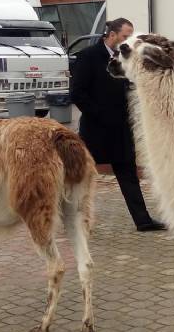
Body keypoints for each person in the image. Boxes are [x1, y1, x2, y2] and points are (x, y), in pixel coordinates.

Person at [70, 18, 166, 232]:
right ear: (111, 35)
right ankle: (72, 219)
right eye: (124, 37)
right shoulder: (88, 57)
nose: (127, 41)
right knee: (80, 177)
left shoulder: (127, 58)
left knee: (129, 175)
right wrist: (100, 114)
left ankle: (143, 221)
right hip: (96, 130)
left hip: (121, 130)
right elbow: (76, 93)